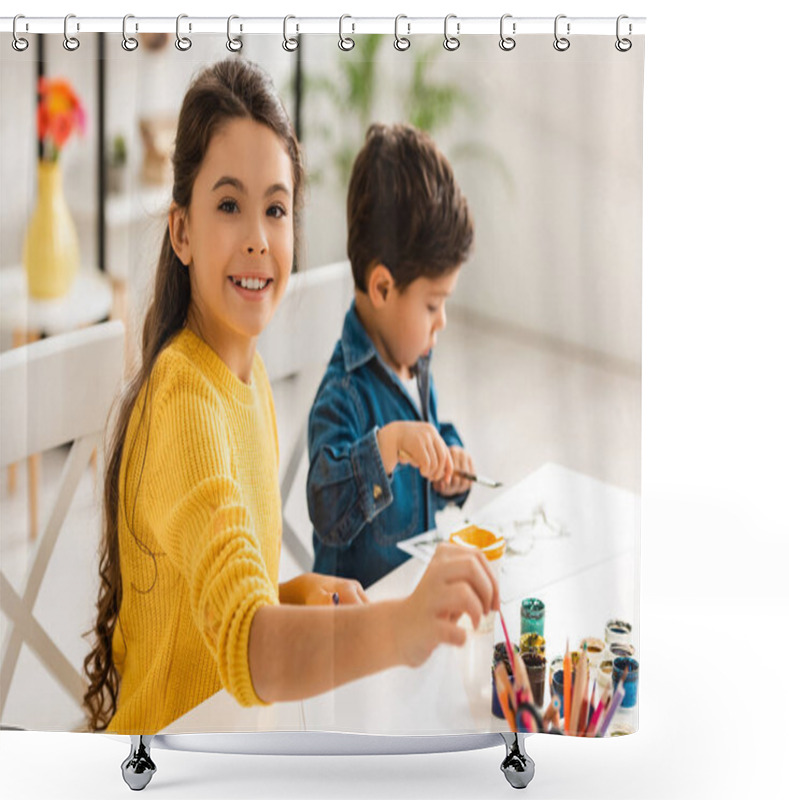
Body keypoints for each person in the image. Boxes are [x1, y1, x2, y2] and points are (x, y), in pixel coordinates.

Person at [82, 61, 498, 735]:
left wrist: (289, 593)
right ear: (181, 232)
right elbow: (251, 648)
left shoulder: (249, 388)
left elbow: (217, 616)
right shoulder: (186, 401)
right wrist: (401, 627)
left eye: (275, 209)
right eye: (228, 204)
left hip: (237, 732)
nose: (256, 236)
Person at [307, 123, 478, 589]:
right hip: (353, 632)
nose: (441, 320)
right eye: (431, 304)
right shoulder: (344, 391)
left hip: (408, 606)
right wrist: (389, 446)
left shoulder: (415, 363)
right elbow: (325, 507)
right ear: (382, 287)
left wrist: (449, 462)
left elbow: (428, 435)